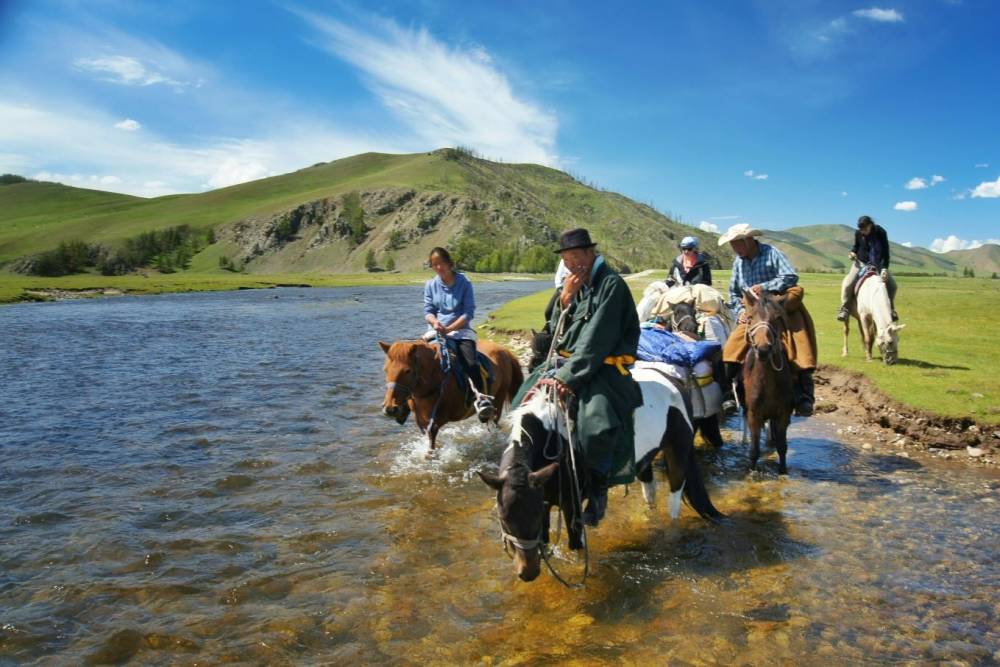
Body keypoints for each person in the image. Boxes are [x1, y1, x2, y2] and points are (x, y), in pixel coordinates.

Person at [528, 228, 643, 527]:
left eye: (576, 256)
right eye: (566, 259)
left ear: (591, 253)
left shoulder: (611, 285)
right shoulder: (573, 285)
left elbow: (597, 340)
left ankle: (598, 490)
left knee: (595, 425)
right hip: (569, 362)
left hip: (604, 368)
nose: (571, 264)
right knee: (521, 399)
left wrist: (566, 377)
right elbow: (555, 332)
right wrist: (564, 300)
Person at [718, 224, 818, 417]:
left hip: (779, 307)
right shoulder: (738, 262)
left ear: (748, 240)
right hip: (753, 312)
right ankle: (728, 395)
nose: (734, 248)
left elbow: (791, 276)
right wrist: (739, 310)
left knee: (800, 345)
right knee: (730, 349)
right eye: (732, 244)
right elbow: (733, 292)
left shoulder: (771, 253)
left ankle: (804, 397)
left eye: (736, 243)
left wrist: (764, 287)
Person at [423, 247, 494, 420]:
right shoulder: (430, 285)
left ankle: (481, 399)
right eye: (435, 265)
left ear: (449, 263)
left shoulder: (464, 283)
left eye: (441, 263)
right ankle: (410, 402)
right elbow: (428, 311)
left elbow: (468, 313)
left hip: (461, 331)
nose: (439, 267)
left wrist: (450, 328)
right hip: (437, 330)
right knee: (420, 361)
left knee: (470, 362)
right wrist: (435, 322)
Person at [837, 215, 898, 322]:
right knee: (848, 284)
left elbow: (885, 252)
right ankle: (845, 308)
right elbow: (856, 246)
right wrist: (852, 253)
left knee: (892, 286)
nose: (863, 232)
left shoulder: (880, 232)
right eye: (861, 230)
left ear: (870, 225)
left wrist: (884, 268)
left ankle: (891, 309)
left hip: (878, 264)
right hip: (861, 262)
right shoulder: (858, 233)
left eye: (865, 229)